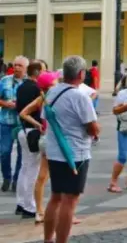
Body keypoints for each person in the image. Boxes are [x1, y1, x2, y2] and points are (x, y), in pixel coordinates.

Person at [43, 56, 99, 243]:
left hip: (54, 150)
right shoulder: (80, 96)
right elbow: (92, 127)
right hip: (75, 153)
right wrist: (95, 132)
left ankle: (48, 239)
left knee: (55, 197)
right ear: (81, 74)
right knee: (70, 200)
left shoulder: (52, 92)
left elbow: (46, 117)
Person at [20, 70, 58, 224]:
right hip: (57, 141)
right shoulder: (57, 97)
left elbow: (23, 113)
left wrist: (38, 125)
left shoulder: (41, 98)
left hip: (46, 139)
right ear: (51, 84)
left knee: (42, 177)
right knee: (62, 176)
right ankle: (60, 211)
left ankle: (39, 211)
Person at [14, 60, 43, 218]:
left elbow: (18, 108)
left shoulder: (21, 87)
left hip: (22, 129)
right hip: (33, 131)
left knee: (25, 167)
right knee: (33, 169)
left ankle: (21, 202)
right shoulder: (37, 88)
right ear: (37, 72)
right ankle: (29, 206)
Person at [0, 55, 27, 193]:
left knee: (22, 154)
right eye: (15, 65)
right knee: (4, 152)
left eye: (20, 65)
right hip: (6, 121)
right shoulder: (4, 80)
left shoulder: (29, 83)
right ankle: (7, 177)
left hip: (23, 123)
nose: (16, 68)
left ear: (26, 68)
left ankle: (17, 180)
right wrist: (5, 103)